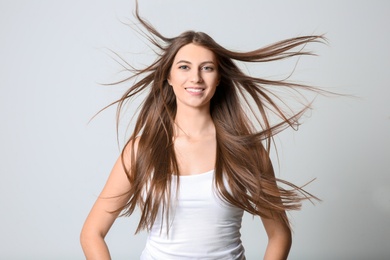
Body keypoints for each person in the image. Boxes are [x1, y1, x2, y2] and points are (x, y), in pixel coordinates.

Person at [80, 2, 325, 259]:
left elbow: (279, 234)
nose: (195, 77)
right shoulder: (141, 150)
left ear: (218, 78)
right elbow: (91, 232)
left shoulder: (247, 151)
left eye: (207, 68)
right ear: (168, 76)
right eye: (184, 67)